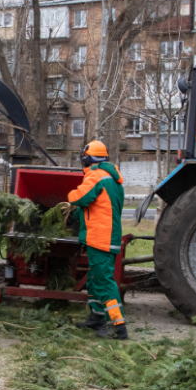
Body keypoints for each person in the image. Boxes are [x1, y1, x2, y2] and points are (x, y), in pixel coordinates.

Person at [68, 140, 128, 340]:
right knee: (95, 279)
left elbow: (79, 197)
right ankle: (97, 318)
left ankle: (118, 326)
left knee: (104, 281)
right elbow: (98, 206)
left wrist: (67, 199)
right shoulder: (113, 180)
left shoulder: (96, 176)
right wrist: (77, 215)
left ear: (86, 158)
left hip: (100, 238)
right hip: (108, 237)